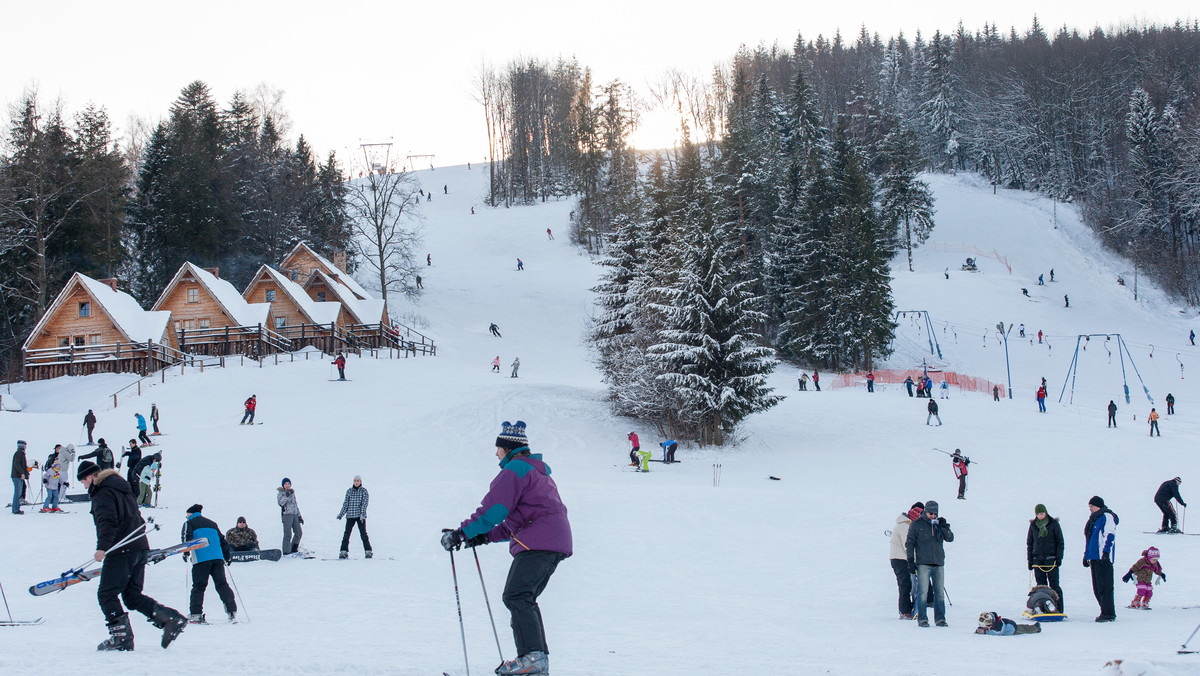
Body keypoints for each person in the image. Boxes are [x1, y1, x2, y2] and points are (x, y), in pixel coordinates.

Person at [440, 420, 572, 676]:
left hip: (540, 543)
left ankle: (533, 659)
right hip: (549, 541)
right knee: (522, 597)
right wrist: (481, 537)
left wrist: (461, 533)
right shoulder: (532, 472)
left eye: (498, 448)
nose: (496, 453)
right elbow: (514, 522)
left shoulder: (516, 470)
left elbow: (494, 510)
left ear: (508, 448)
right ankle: (536, 661)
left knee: (516, 596)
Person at [76, 459, 187, 651]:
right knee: (132, 595)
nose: (84, 486)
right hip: (139, 546)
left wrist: (102, 547)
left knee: (106, 594)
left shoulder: (102, 493)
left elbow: (108, 521)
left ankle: (121, 637)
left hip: (121, 549)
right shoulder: (121, 488)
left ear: (90, 477)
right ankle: (170, 619)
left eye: (83, 481)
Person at [181, 504, 236, 623]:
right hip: (217, 558)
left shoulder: (189, 523)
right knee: (222, 584)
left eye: (187, 514)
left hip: (201, 559)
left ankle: (196, 614)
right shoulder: (212, 524)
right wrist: (227, 557)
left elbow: (187, 538)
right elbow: (223, 541)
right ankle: (232, 611)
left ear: (191, 514)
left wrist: (186, 553)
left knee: (199, 586)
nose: (186, 516)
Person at [905, 500, 953, 627]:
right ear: (925, 512)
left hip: (938, 563)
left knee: (939, 593)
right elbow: (909, 543)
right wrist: (910, 560)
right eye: (930, 513)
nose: (933, 516)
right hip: (923, 563)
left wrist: (944, 527)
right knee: (923, 592)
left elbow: (950, 538)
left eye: (935, 513)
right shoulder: (916, 525)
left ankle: (940, 619)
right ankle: (922, 619)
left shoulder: (938, 525)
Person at [1084, 495, 1119, 622]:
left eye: (1092, 506)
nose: (1090, 509)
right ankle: (1104, 610)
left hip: (1103, 558)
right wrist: (1086, 555)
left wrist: (1106, 552)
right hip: (1094, 557)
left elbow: (1109, 534)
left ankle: (1108, 613)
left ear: (1098, 505)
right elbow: (1090, 538)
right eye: (1089, 506)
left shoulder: (1106, 516)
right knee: (1097, 587)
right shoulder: (1093, 519)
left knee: (1105, 587)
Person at [1026, 504, 1065, 613]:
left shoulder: (1054, 524)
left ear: (1046, 513)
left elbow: (1060, 542)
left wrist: (1058, 558)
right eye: (1038, 514)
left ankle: (1058, 608)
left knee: (1054, 586)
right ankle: (1042, 608)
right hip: (1038, 561)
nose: (1040, 516)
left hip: (1051, 560)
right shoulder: (1033, 525)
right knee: (1041, 586)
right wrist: (1030, 560)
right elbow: (1030, 543)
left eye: (1042, 513)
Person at [890, 502, 924, 619]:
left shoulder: (905, 525)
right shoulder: (905, 526)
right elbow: (908, 546)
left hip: (900, 558)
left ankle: (906, 609)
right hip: (900, 559)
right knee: (905, 584)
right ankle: (905, 611)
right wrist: (916, 558)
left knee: (907, 584)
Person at [337, 475, 372, 559]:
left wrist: (362, 514)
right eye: (355, 480)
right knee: (346, 534)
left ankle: (368, 551)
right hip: (350, 515)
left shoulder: (364, 491)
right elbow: (346, 504)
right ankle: (343, 551)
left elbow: (365, 503)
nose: (356, 482)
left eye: (358, 481)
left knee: (363, 534)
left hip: (360, 516)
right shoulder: (349, 491)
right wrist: (341, 514)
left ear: (360, 482)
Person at [278, 478, 304, 555]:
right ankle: (286, 551)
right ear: (283, 485)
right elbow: (281, 503)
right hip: (287, 515)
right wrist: (287, 494)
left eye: (288, 484)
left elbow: (295, 505)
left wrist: (299, 516)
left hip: (294, 514)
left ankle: (293, 548)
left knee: (299, 532)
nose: (287, 485)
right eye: (285, 484)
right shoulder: (281, 493)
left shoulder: (292, 493)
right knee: (288, 534)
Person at [40, 447, 64, 513]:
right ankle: (45, 507)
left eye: (60, 466)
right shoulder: (50, 471)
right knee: (49, 496)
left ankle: (54, 506)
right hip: (49, 486)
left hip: (55, 486)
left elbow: (60, 479)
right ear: (55, 466)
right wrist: (44, 480)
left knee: (56, 496)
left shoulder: (59, 472)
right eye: (58, 466)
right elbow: (45, 476)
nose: (59, 467)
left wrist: (64, 483)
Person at [975, 612, 1041, 635]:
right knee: (1023, 626)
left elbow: (998, 633)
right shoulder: (994, 621)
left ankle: (1036, 628)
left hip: (1012, 629)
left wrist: (985, 632)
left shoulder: (998, 627)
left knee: (1025, 629)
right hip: (1009, 624)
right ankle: (1033, 626)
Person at [11, 440, 29, 515]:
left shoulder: (21, 454)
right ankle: (15, 509)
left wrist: (26, 474)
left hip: (19, 476)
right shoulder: (18, 453)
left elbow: (23, 465)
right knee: (17, 493)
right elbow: (17, 464)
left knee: (19, 492)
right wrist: (22, 473)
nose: (26, 447)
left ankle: (16, 508)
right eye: (25, 445)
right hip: (17, 476)